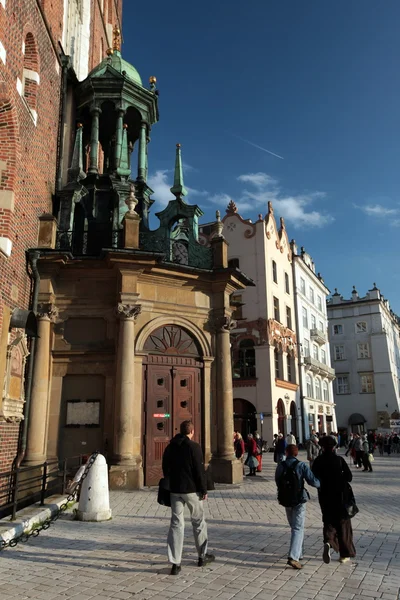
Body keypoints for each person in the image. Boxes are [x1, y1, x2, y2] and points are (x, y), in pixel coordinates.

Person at [162, 420, 215, 576]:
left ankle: (175, 563)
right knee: (198, 521)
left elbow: (165, 467)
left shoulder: (171, 446)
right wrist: (203, 489)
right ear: (192, 431)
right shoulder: (194, 447)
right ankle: (202, 556)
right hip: (191, 490)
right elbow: (199, 470)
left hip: (175, 490)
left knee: (176, 524)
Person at [312, 435, 356, 564]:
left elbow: (313, 478)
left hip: (325, 496)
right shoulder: (339, 460)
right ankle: (344, 554)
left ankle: (329, 541)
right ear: (334, 447)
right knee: (343, 524)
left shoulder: (318, 461)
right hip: (340, 496)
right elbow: (349, 477)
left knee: (328, 520)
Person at [275, 444, 320, 570]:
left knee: (294, 527)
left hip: (286, 499)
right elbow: (313, 481)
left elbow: (277, 481)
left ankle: (299, 553)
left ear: (286, 452)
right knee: (298, 528)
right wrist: (322, 484)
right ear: (296, 453)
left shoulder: (281, 466)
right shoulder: (301, 465)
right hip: (299, 499)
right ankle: (293, 557)